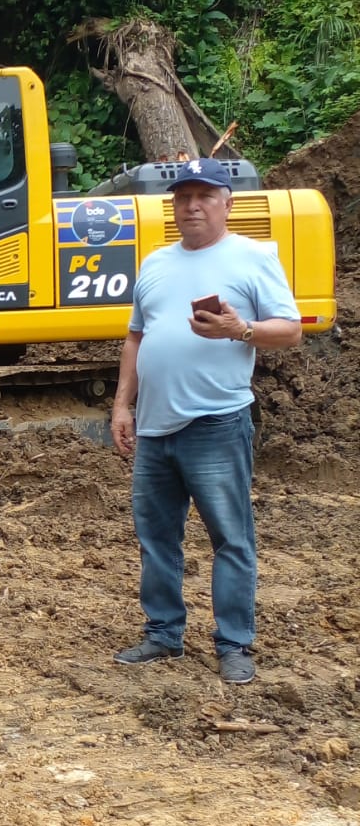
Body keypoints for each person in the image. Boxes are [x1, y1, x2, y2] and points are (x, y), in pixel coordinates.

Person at [110, 158, 302, 684]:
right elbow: (136, 338)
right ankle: (163, 634)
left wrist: (242, 330)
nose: (192, 207)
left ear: (226, 203)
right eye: (183, 198)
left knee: (230, 538)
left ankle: (234, 643)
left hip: (216, 423)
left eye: (204, 197)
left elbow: (290, 330)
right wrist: (123, 405)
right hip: (155, 428)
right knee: (156, 538)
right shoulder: (155, 263)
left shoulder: (252, 258)